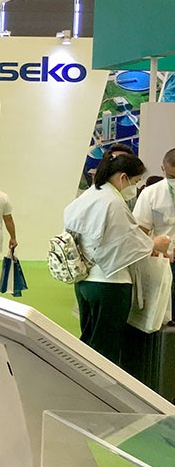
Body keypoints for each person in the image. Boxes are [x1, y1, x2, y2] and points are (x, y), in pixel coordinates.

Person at [63, 153, 170, 364]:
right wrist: (154, 244)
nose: (134, 188)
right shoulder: (114, 203)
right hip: (110, 283)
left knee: (88, 342)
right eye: (135, 181)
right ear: (123, 177)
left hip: (84, 281)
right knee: (106, 348)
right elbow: (126, 242)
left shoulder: (89, 195)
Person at [132, 147, 175, 322]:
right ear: (163, 169)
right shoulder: (151, 193)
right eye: (172, 177)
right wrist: (153, 247)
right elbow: (140, 231)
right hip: (163, 261)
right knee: (163, 315)